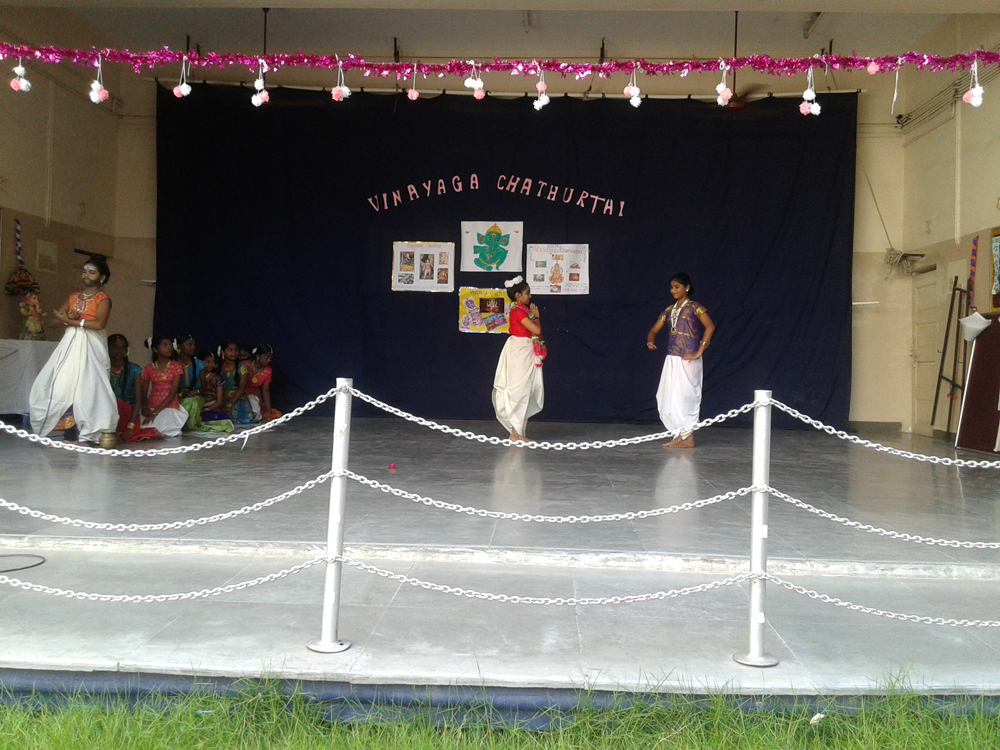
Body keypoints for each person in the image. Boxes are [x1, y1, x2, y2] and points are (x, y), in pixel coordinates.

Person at [28, 256, 118, 442]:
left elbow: (99, 324)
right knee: (64, 384)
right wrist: (66, 318)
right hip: (70, 344)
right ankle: (68, 431)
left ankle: (90, 431)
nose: (86, 275)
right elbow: (54, 322)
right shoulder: (73, 297)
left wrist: (73, 321)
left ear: (102, 278)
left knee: (90, 386)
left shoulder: (103, 299)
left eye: (91, 272)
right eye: (84, 271)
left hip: (92, 345)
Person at [646, 272, 715, 448]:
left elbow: (710, 327)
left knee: (685, 397)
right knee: (669, 397)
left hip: (688, 358)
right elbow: (654, 330)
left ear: (687, 287)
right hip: (672, 358)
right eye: (671, 287)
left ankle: (688, 438)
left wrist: (699, 351)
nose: (673, 290)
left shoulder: (695, 307)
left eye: (677, 287)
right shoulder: (669, 310)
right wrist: (651, 341)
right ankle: (681, 435)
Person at [492, 275, 544, 442]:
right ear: (518, 295)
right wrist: (537, 317)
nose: (530, 296)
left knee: (524, 390)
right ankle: (515, 434)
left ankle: (517, 433)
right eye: (527, 293)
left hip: (525, 350)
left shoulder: (522, 311)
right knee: (519, 391)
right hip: (520, 351)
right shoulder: (519, 312)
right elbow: (536, 331)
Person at [107, 333, 159, 442]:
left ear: (127, 350)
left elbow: (138, 400)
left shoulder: (134, 369)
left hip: (128, 416)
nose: (119, 351)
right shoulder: (103, 368)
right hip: (106, 414)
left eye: (122, 347)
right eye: (115, 347)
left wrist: (130, 426)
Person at [139, 335, 188, 437]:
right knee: (147, 430)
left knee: (165, 431)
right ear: (155, 349)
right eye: (165, 345)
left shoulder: (176, 366)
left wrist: (155, 413)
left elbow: (172, 394)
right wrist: (144, 407)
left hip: (169, 406)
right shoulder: (148, 368)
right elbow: (144, 393)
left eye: (170, 345)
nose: (169, 348)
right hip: (152, 406)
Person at [196, 350, 235, 432]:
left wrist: (206, 409)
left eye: (213, 362)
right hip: (198, 405)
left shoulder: (217, 378)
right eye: (208, 362)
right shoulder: (196, 376)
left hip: (211, 406)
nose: (211, 364)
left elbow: (219, 402)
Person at [218, 340, 253, 424]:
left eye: (235, 350)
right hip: (221, 400)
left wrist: (229, 405)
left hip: (237, 401)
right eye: (230, 350)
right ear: (222, 352)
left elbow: (241, 389)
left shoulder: (242, 367)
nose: (233, 353)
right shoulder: (218, 367)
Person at [243, 344, 281, 423]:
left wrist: (268, 412)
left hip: (253, 395)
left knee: (256, 415)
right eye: (266, 357)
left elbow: (265, 391)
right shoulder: (244, 365)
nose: (268, 360)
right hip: (239, 394)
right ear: (258, 356)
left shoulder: (268, 371)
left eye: (270, 358)